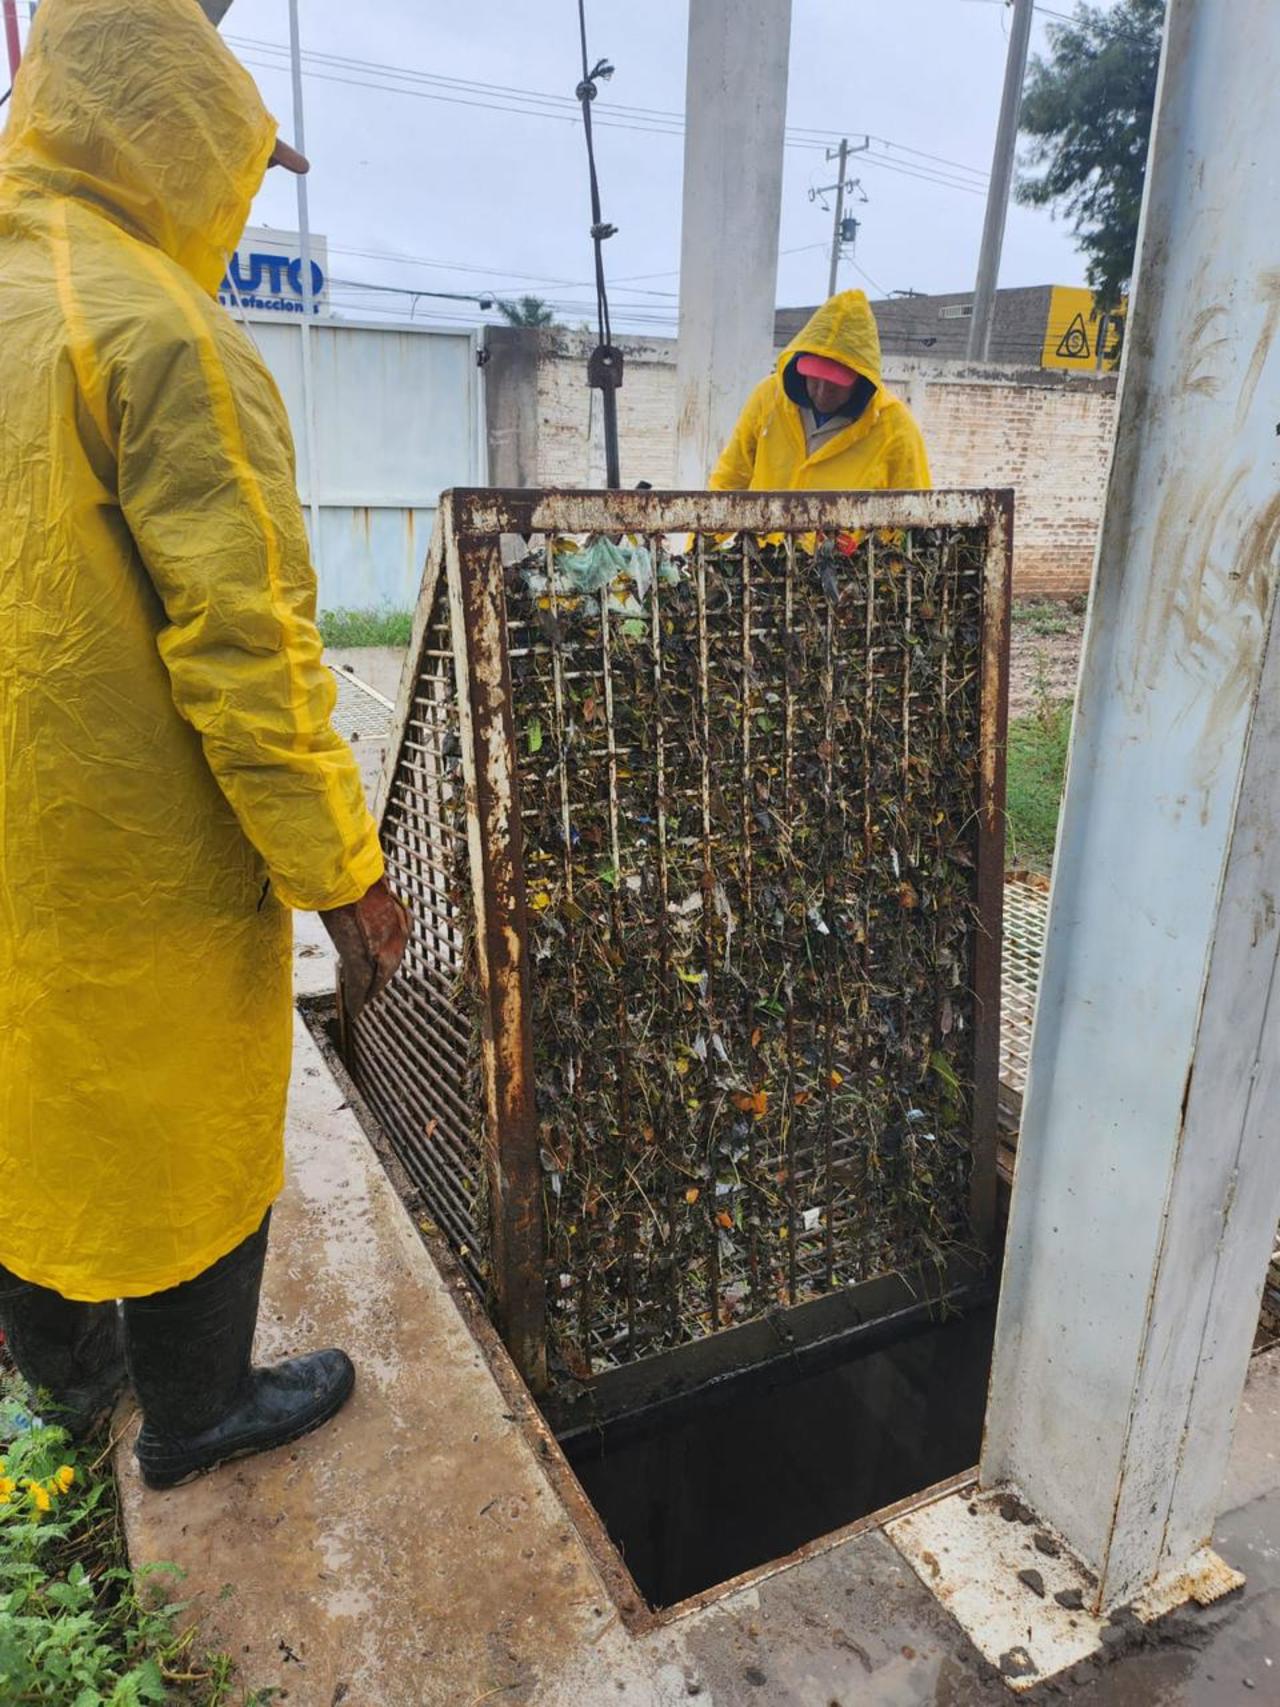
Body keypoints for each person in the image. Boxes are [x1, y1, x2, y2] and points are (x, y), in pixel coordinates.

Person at [0, 0, 409, 1488]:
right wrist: (344, 874)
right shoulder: (165, 335)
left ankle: (58, 1382)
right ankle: (195, 1410)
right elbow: (253, 661)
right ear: (176, 139)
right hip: (135, 860)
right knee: (182, 1113)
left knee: (23, 1090)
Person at [709, 290, 931, 494]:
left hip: (843, 539)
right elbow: (730, 479)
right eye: (814, 378)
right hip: (766, 538)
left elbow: (914, 519)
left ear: (861, 379)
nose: (823, 393)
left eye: (835, 383)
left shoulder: (896, 429)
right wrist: (702, 538)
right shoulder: (768, 397)